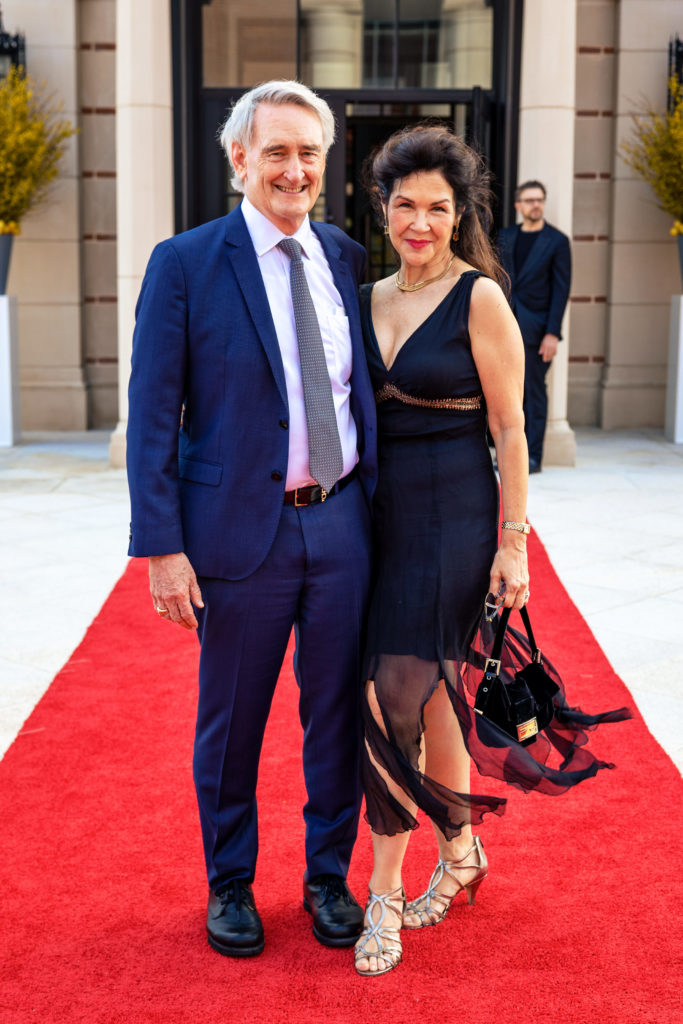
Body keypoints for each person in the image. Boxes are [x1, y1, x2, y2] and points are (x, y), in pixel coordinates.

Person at [354, 126, 628, 978]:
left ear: (459, 213)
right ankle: (463, 849)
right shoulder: (366, 296)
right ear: (382, 208)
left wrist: (514, 546)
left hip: (456, 520)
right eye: (405, 205)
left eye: (438, 207)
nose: (420, 222)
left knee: (393, 699)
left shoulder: (479, 298)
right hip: (380, 520)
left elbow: (510, 429)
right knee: (435, 701)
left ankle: (384, 894)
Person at [126, 80, 377, 958]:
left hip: (342, 526)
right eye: (276, 151)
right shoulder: (185, 262)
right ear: (238, 159)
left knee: (337, 711)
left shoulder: (343, 256)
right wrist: (160, 546)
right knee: (232, 719)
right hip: (239, 533)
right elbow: (154, 413)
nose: (294, 169)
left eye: (309, 152)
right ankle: (229, 882)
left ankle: (326, 876)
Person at [497, 181, 571, 473]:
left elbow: (561, 290)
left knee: (534, 394)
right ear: (518, 205)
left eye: (539, 200)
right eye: (529, 200)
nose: (535, 205)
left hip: (537, 331)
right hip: (504, 328)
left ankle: (533, 456)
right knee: (505, 394)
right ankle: (506, 455)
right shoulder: (505, 237)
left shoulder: (557, 242)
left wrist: (552, 333)